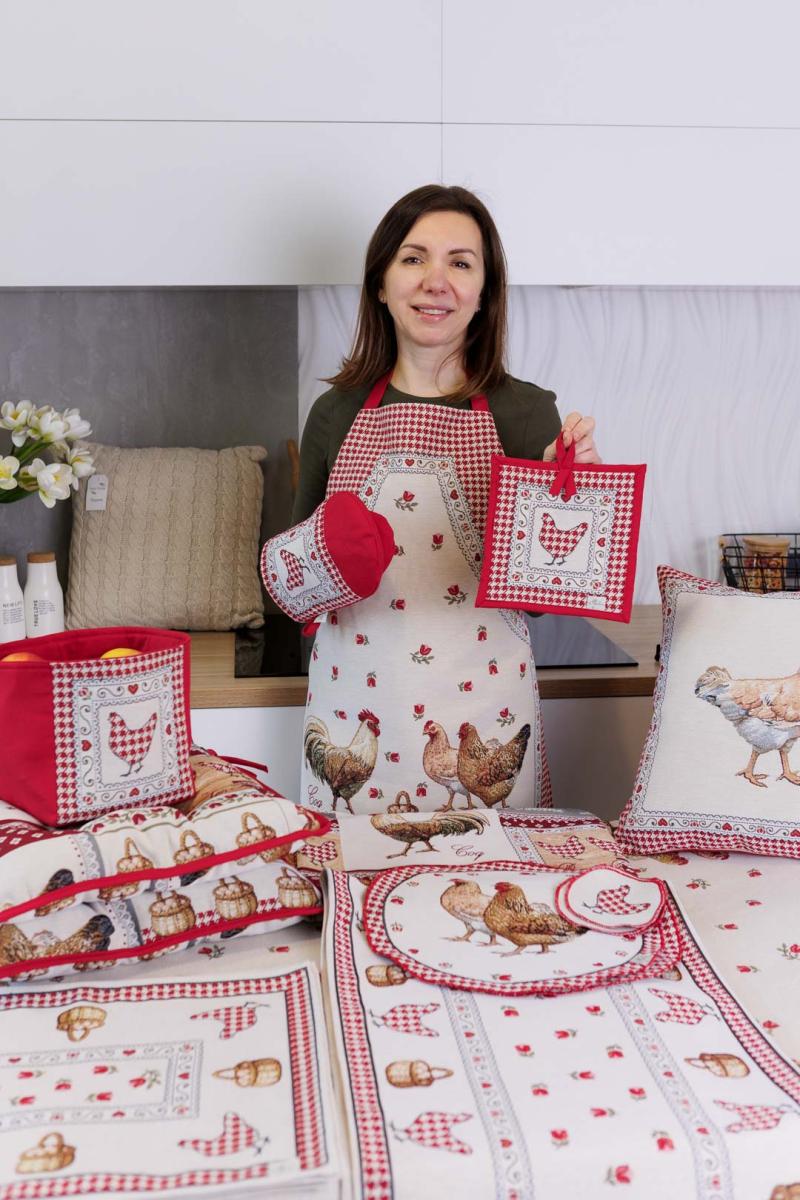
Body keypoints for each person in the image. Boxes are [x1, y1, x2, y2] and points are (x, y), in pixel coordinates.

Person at [293, 184, 600, 815]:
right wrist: (335, 554)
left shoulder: (525, 412)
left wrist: (566, 503)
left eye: (460, 263)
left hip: (482, 714)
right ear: (381, 283)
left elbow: (543, 601)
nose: (436, 281)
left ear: (485, 292)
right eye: (414, 258)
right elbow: (292, 588)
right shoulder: (335, 413)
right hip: (359, 710)